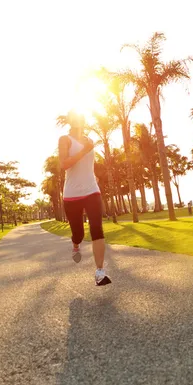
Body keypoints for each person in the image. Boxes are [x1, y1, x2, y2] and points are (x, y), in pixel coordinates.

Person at [59, 110, 111, 286]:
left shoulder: (89, 140)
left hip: (91, 190)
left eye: (81, 116)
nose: (79, 120)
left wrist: (93, 177)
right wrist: (85, 151)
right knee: (79, 233)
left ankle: (100, 272)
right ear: (70, 121)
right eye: (75, 117)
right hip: (72, 195)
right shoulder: (64, 139)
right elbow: (64, 164)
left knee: (97, 228)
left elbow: (89, 165)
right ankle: (75, 244)